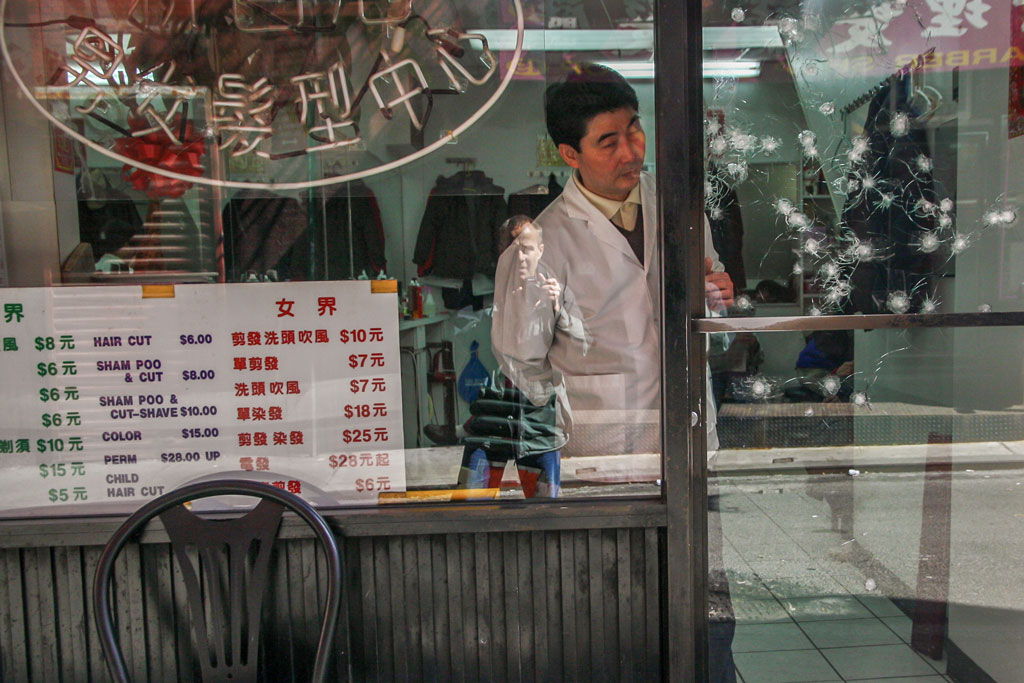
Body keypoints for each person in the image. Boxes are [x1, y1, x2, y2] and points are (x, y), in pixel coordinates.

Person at [492, 63, 734, 459]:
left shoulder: (680, 211)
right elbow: (521, 363)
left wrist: (717, 300)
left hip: (690, 440)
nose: (630, 151)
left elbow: (714, 324)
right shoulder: (540, 246)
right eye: (608, 142)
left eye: (634, 129)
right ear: (571, 154)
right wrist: (589, 398)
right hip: (599, 451)